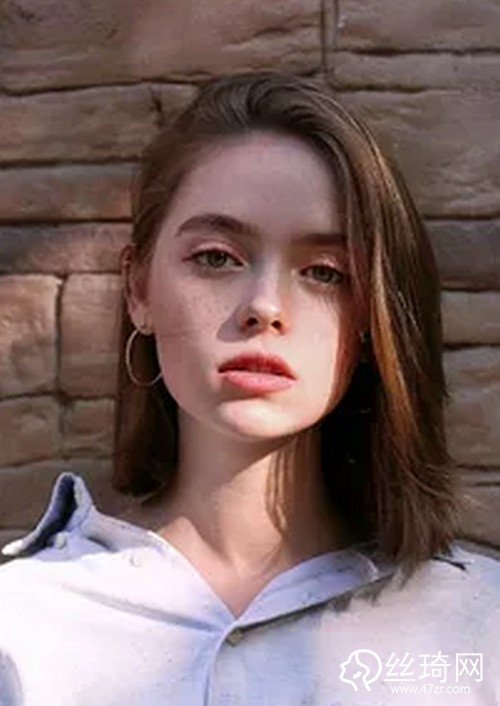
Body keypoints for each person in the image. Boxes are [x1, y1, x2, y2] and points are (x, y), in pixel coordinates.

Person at [0, 71, 498, 705]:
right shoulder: (21, 626)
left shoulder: (479, 632)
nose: (264, 306)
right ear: (139, 289)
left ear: (371, 319)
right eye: (216, 257)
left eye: (325, 272)